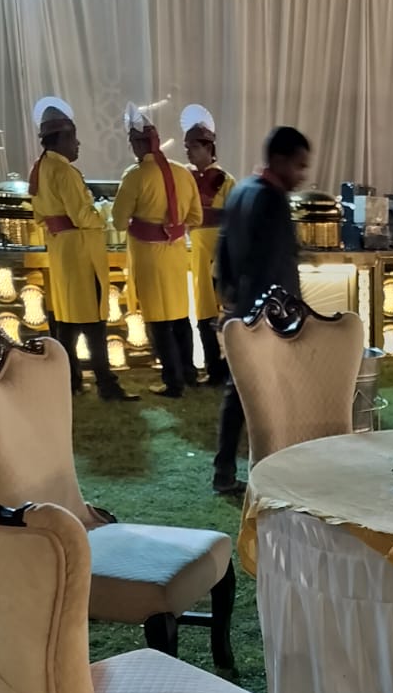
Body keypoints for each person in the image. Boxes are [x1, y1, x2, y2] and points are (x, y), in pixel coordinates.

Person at [211, 125, 310, 495]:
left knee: (237, 392)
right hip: (271, 314)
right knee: (270, 396)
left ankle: (225, 471)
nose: (302, 175)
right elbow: (274, 266)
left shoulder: (241, 191)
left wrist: (232, 303)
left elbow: (222, 251)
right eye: (299, 165)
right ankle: (269, 468)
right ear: (279, 160)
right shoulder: (271, 199)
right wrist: (288, 316)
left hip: (243, 310)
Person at [27, 96, 136, 401]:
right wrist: (103, 214)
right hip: (81, 253)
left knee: (66, 320)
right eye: (73, 138)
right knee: (92, 320)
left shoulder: (40, 168)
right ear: (61, 138)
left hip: (61, 251)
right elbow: (82, 216)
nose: (78, 144)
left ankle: (70, 381)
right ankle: (106, 383)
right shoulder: (64, 172)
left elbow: (40, 214)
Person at [111, 103, 202, 397]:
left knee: (159, 320)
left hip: (148, 256)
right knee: (179, 316)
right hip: (176, 254)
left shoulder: (135, 176)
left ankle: (172, 381)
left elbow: (118, 221)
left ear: (138, 144)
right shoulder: (183, 173)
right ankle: (189, 373)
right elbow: (196, 217)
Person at [181, 103, 235, 385]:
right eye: (187, 147)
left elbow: (235, 219)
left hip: (220, 255)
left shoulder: (227, 182)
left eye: (193, 146)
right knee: (203, 311)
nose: (188, 152)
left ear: (208, 148)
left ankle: (229, 367)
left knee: (225, 310)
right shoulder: (185, 180)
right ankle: (213, 369)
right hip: (196, 255)